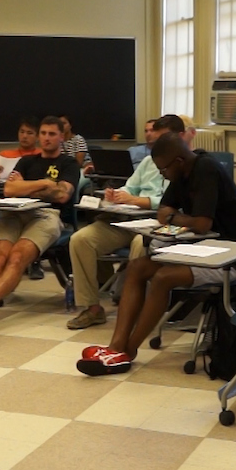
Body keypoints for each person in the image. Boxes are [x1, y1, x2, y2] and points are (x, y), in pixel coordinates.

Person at [77, 132, 236, 376]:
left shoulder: (206, 170)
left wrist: (175, 217)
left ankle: (128, 351)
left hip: (231, 256)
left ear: (179, 161)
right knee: (137, 267)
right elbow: (163, 211)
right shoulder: (181, 170)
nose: (162, 175)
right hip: (203, 249)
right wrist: (180, 218)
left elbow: (202, 223)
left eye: (163, 169)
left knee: (164, 277)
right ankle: (115, 345)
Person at [0, 116, 80, 337]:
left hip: (47, 215)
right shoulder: (27, 161)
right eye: (43, 133)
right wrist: (44, 183)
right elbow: (9, 191)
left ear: (61, 137)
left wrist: (26, 187)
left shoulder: (68, 164)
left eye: (52, 134)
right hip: (15, 213)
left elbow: (62, 195)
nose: (46, 138)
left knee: (16, 257)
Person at [65, 115, 181, 330]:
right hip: (128, 219)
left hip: (157, 223)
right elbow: (131, 187)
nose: (157, 141)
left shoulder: (182, 164)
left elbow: (171, 202)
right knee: (81, 239)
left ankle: (134, 307)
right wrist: (117, 194)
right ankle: (92, 308)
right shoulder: (148, 162)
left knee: (140, 244)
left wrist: (137, 200)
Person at [0, 116, 43, 248]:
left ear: (37, 137)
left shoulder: (42, 156)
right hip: (5, 201)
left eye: (29, 133)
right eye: (22, 132)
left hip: (32, 202)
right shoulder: (4, 155)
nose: (24, 136)